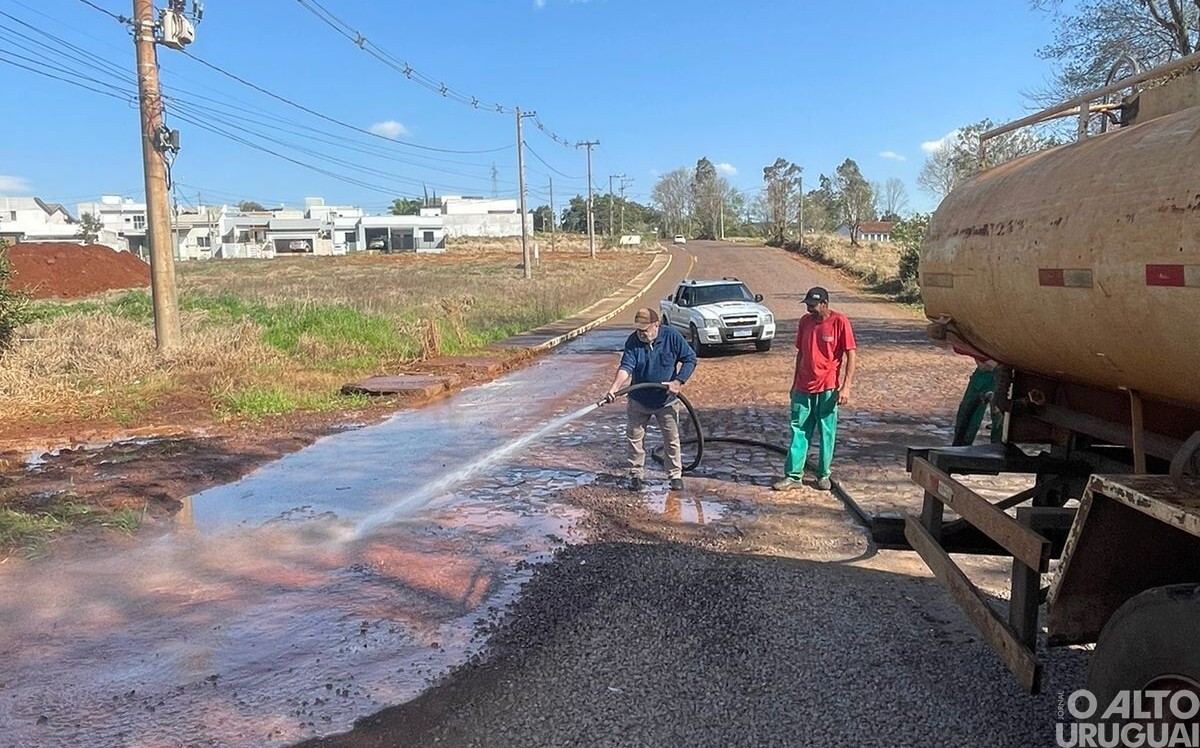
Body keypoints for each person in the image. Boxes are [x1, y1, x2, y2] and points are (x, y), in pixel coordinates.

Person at [603, 307, 698, 491]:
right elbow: (626, 367)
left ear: (656, 325)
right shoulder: (633, 341)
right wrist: (614, 388)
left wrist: (678, 382)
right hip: (639, 399)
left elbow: (690, 359)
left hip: (666, 399)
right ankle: (635, 474)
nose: (641, 333)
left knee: (671, 438)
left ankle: (674, 475)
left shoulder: (672, 337)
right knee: (635, 438)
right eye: (638, 330)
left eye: (645, 330)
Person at [773, 286, 856, 492]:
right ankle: (793, 475)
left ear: (825, 304)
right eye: (808, 305)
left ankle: (823, 474)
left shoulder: (839, 322)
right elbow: (800, 354)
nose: (809, 309)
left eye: (813, 305)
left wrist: (846, 386)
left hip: (827, 387)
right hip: (803, 387)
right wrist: (794, 384)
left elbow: (851, 354)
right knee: (798, 430)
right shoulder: (805, 322)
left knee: (827, 432)